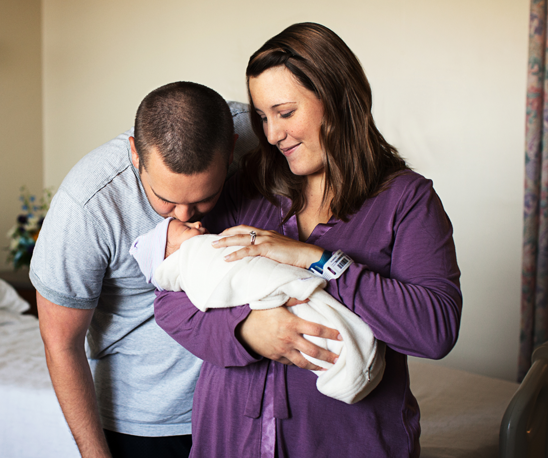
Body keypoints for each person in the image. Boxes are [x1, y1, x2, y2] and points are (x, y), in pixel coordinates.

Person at [154, 23, 462, 457]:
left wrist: (316, 261)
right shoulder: (248, 187)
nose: (273, 134)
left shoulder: (406, 200)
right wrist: (245, 331)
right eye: (262, 118)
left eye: (284, 112)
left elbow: (435, 329)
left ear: (334, 98)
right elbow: (170, 296)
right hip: (230, 440)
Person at [29, 81, 269, 458]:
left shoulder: (259, 135)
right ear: (135, 155)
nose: (187, 216)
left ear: (232, 151)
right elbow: (61, 343)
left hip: (246, 408)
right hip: (147, 425)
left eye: (205, 197)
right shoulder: (88, 205)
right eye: (166, 199)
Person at [130, 217, 385, 405]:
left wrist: (312, 258)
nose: (197, 223)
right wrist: (251, 324)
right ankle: (350, 364)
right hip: (235, 409)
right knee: (320, 332)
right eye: (186, 228)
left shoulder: (406, 196)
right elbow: (231, 276)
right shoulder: (197, 253)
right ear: (169, 254)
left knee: (324, 324)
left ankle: (352, 361)